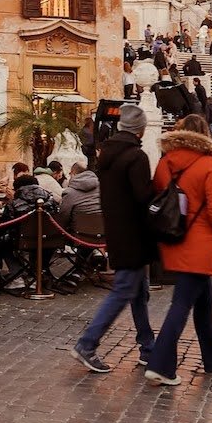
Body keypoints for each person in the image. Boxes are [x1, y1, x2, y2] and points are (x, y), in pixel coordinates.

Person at [142, 114, 212, 387]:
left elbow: (160, 194)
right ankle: (160, 365)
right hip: (201, 241)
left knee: (203, 303)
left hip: (174, 237)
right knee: (181, 305)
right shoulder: (208, 163)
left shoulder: (165, 162)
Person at [73, 103, 155, 374]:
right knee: (123, 291)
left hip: (116, 230)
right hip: (134, 234)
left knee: (138, 292)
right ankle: (87, 343)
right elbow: (143, 197)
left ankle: (147, 346)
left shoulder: (106, 155)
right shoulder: (136, 157)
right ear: (140, 130)